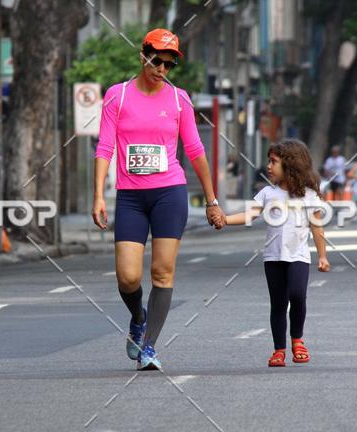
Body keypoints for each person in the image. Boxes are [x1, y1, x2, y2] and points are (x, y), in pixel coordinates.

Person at [92, 28, 226, 371]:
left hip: (169, 192)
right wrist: (98, 195)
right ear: (143, 55)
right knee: (128, 276)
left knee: (162, 272)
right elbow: (105, 147)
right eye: (156, 61)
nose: (161, 69)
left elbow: (195, 150)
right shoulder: (118, 96)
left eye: (169, 64)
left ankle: (148, 346)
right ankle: (138, 318)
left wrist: (211, 200)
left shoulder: (179, 99)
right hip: (131, 197)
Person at [212, 139, 330, 367]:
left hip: (298, 256)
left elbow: (317, 227)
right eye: (269, 161)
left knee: (297, 295)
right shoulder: (267, 192)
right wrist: (225, 219)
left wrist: (322, 256)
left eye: (273, 161)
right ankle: (279, 350)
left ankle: (297, 339)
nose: (268, 166)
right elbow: (249, 215)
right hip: (273, 258)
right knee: (278, 304)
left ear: (290, 164)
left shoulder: (309, 195)